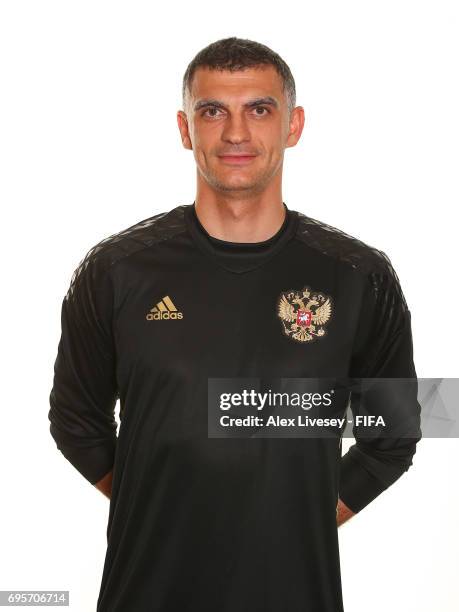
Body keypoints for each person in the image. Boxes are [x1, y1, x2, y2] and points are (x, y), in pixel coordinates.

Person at [48, 36, 422, 612]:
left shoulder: (359, 275)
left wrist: (300, 520)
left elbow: (393, 434)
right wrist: (159, 506)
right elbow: (75, 423)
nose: (236, 133)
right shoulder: (114, 271)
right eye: (213, 111)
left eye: (260, 109)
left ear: (293, 125)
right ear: (184, 128)